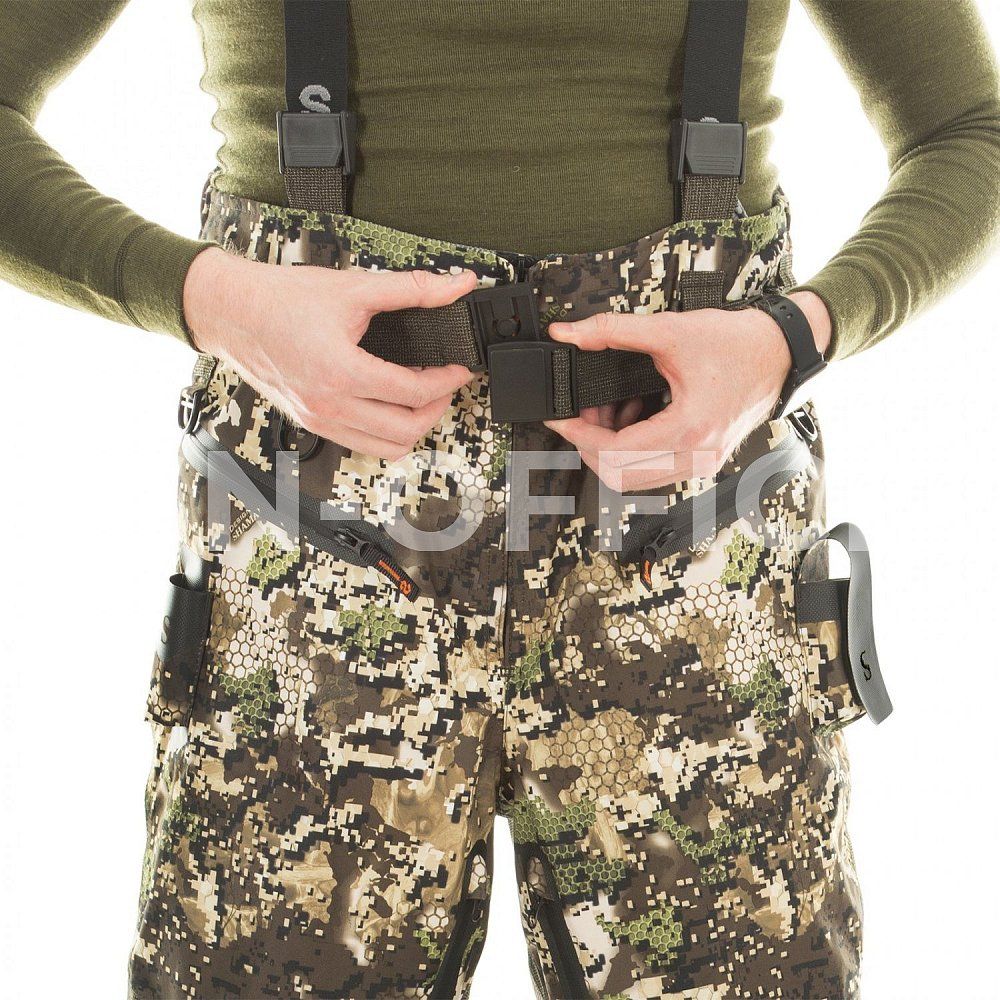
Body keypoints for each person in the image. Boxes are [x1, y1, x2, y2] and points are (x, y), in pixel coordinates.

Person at [2, 1, 998, 997]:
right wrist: (213, 300)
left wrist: (795, 337)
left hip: (691, 531)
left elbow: (969, 130)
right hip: (316, 541)